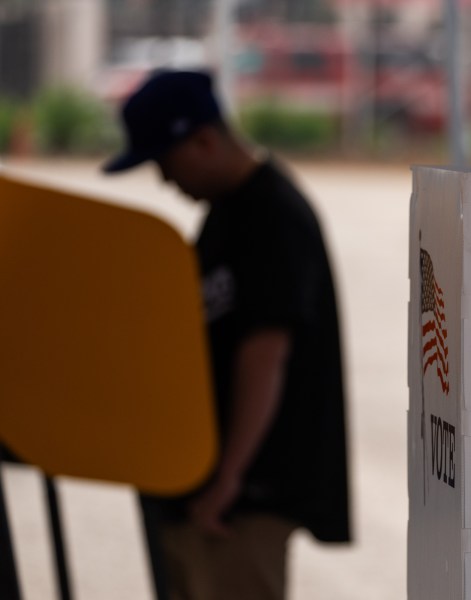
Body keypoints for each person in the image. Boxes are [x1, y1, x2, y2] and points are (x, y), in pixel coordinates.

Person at [103, 70, 351, 600]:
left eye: (165, 163)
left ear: (204, 140)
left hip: (244, 500)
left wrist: (227, 479)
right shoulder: (230, 213)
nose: (166, 182)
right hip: (215, 489)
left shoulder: (270, 216)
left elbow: (266, 353)